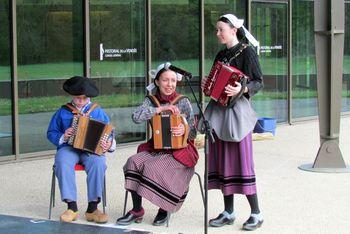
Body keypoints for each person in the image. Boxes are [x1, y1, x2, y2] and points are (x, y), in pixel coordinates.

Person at [116, 62, 199, 226]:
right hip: (156, 147)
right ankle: (137, 209)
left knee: (154, 167)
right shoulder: (151, 100)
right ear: (157, 82)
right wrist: (159, 109)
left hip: (179, 150)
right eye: (165, 80)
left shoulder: (183, 101)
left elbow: (194, 132)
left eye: (173, 81)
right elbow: (136, 117)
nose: (169, 84)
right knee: (133, 162)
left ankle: (164, 208)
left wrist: (183, 129)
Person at [205, 14, 264, 231]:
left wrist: (243, 88)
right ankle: (228, 212)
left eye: (221, 29)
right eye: (217, 29)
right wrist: (209, 84)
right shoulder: (221, 54)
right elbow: (214, 85)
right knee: (223, 163)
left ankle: (256, 213)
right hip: (219, 113)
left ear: (233, 30)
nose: (218, 33)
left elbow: (258, 82)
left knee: (242, 162)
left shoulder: (247, 51)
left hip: (237, 114)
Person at [47, 76, 116, 223]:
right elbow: (51, 132)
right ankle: (72, 207)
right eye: (78, 98)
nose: (81, 101)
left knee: (98, 163)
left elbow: (109, 133)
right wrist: (63, 136)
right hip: (69, 148)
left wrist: (109, 144)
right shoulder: (63, 112)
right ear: (72, 95)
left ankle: (92, 208)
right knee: (62, 161)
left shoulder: (97, 112)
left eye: (85, 98)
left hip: (90, 150)